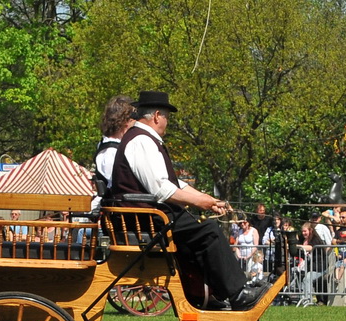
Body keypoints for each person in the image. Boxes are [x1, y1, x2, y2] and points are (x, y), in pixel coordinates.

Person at [102, 90, 251, 309]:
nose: (167, 123)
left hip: (150, 215)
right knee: (208, 232)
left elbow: (175, 183)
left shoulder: (144, 139)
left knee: (200, 230)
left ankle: (206, 294)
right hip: (146, 218)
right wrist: (199, 202)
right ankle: (236, 293)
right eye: (167, 117)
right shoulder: (141, 141)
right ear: (156, 116)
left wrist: (207, 199)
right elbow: (162, 189)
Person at [90, 94, 133, 199]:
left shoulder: (114, 146)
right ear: (125, 122)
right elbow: (115, 185)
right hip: (123, 207)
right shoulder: (110, 151)